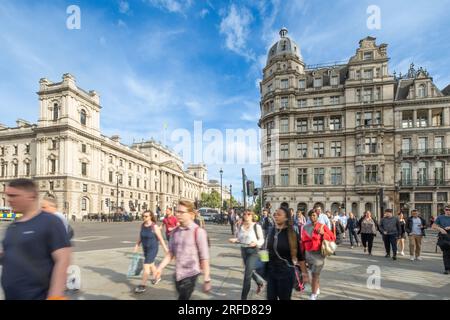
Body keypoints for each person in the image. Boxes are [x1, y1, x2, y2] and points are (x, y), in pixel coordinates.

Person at [0, 179, 71, 300]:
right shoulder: (13, 226)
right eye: (8, 195)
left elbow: (63, 260)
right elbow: (10, 256)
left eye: (14, 195)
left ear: (31, 196)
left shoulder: (50, 221)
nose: (9, 200)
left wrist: (55, 297)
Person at [155, 200, 211, 299]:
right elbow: (170, 253)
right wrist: (160, 267)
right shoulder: (174, 232)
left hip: (191, 274)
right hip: (177, 274)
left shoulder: (199, 232)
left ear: (190, 214)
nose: (177, 214)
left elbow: (204, 257)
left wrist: (207, 279)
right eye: (177, 211)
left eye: (181, 212)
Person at [266, 207, 309, 300]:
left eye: (279, 214)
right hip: (271, 272)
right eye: (275, 214)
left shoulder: (292, 234)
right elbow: (268, 250)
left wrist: (304, 273)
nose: (276, 216)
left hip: (286, 273)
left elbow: (300, 256)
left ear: (286, 218)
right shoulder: (272, 231)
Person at [229, 210, 265, 300]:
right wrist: (235, 240)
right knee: (248, 271)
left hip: (253, 252)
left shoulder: (257, 226)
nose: (246, 215)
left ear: (252, 216)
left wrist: (256, 242)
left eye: (248, 214)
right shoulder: (240, 226)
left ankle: (243, 298)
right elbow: (239, 238)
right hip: (244, 250)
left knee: (247, 275)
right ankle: (259, 282)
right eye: (244, 214)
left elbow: (262, 240)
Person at [301, 210, 336, 300]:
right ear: (309, 217)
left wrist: (323, 233)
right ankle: (317, 287)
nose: (312, 217)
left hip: (318, 254)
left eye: (314, 215)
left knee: (314, 274)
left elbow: (332, 237)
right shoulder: (305, 227)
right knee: (314, 273)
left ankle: (313, 294)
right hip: (308, 253)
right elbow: (302, 241)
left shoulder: (322, 226)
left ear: (317, 216)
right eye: (311, 215)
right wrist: (301, 255)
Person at [134, 210, 169, 293]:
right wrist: (137, 245)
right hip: (145, 248)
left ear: (150, 217)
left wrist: (165, 249)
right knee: (152, 264)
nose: (144, 217)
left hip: (153, 248)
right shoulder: (142, 225)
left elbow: (160, 238)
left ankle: (143, 285)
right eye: (143, 216)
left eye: (146, 216)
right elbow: (140, 235)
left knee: (146, 266)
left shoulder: (154, 227)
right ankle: (157, 277)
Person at [432, 206, 450, 274]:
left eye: (449, 210)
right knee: (446, 253)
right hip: (444, 236)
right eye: (447, 209)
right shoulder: (440, 217)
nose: (448, 211)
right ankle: (447, 269)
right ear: (444, 210)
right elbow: (433, 226)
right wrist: (440, 229)